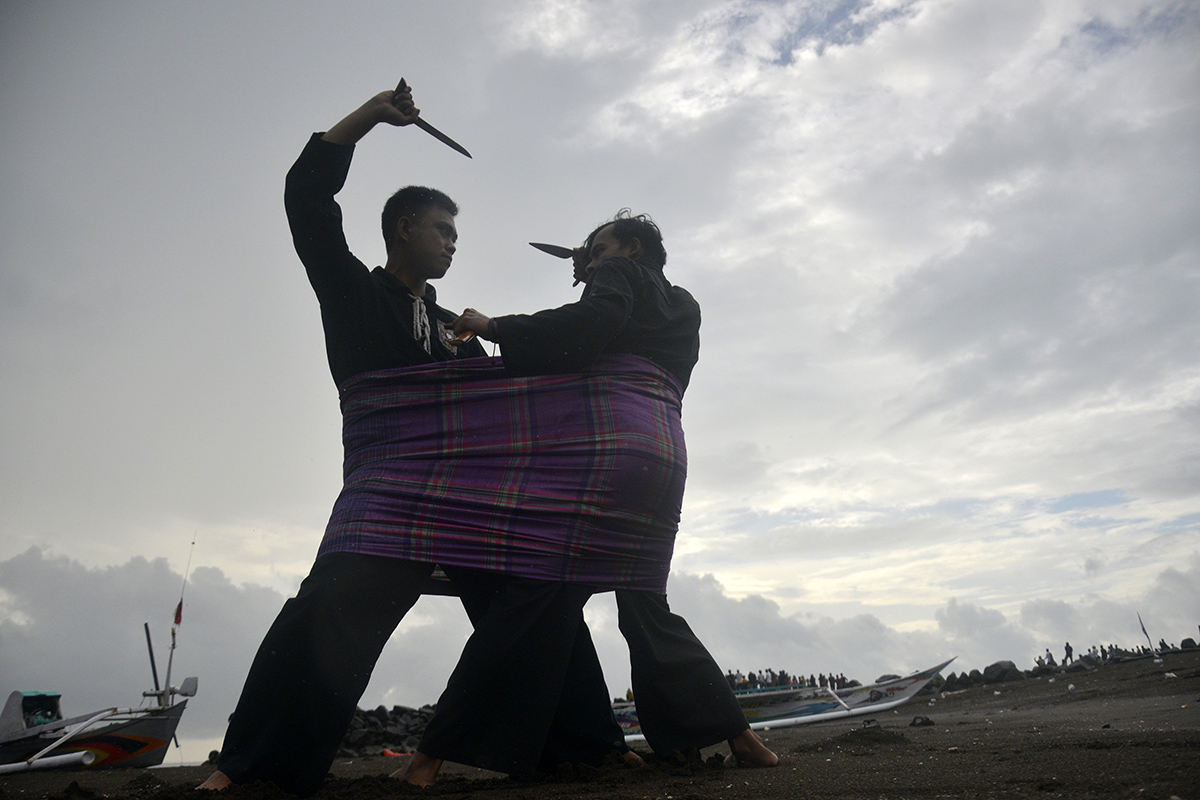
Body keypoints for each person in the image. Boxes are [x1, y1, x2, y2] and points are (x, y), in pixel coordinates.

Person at [200, 81, 628, 796]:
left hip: (473, 498)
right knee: (328, 610)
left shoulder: (458, 334)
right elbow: (306, 199)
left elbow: (505, 402)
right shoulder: (354, 293)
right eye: (443, 231)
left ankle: (585, 746)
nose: (454, 244)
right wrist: (372, 115)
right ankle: (250, 769)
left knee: (534, 592)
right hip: (389, 492)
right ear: (404, 229)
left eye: (457, 235)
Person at [447, 211, 778, 771]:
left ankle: (473, 747)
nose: (592, 262)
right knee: (645, 603)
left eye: (599, 250)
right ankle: (734, 738)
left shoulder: (619, 274)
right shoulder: (685, 304)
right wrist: (590, 278)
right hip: (663, 451)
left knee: (542, 599)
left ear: (632, 248)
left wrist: (494, 325)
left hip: (610, 447)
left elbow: (590, 327)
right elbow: (619, 336)